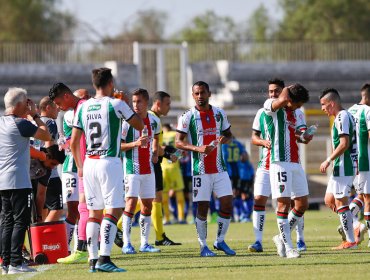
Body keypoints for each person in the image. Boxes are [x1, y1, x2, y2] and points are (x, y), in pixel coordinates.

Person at [70, 68, 144, 272]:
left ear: (94, 84)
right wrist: (126, 105)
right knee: (114, 209)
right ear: (110, 82)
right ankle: (105, 258)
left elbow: (74, 142)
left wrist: (79, 166)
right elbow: (138, 124)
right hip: (109, 162)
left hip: (89, 163)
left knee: (94, 213)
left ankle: (93, 260)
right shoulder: (116, 103)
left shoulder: (84, 107)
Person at [175, 81, 236, 257]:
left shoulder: (219, 113)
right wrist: (198, 148)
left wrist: (225, 140)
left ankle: (220, 240)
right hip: (200, 170)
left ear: (209, 93)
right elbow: (179, 142)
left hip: (219, 168)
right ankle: (203, 246)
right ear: (193, 95)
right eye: (196, 93)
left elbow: (229, 135)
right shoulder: (187, 116)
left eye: (203, 92)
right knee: (203, 208)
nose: (200, 96)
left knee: (227, 202)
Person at [0, 88, 51, 274]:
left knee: (6, 221)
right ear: (20, 105)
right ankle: (15, 262)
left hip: (3, 181)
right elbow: (46, 136)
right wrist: (35, 115)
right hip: (19, 181)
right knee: (20, 221)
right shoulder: (21, 124)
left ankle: (5, 263)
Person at [264, 84, 311, 259]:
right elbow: (282, 99)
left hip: (295, 162)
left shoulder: (294, 112)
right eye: (297, 104)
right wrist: (289, 88)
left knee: (302, 204)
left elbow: (298, 133)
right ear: (290, 100)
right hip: (279, 162)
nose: (299, 108)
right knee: (283, 204)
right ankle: (289, 247)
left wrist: (305, 137)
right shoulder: (271, 106)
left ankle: (280, 237)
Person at [50, 86, 91, 264]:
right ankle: (68, 247)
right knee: (75, 210)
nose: (87, 100)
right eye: (84, 97)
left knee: (84, 209)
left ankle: (81, 247)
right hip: (72, 168)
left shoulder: (78, 108)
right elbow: (71, 141)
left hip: (83, 166)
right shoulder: (70, 113)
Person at [121, 88, 161, 254]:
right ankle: (126, 243)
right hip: (131, 169)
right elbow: (118, 146)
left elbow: (157, 136)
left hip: (148, 170)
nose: (135, 105)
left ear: (147, 103)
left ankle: (144, 243)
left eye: (139, 102)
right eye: (134, 102)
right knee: (130, 204)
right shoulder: (126, 122)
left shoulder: (153, 120)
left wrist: (155, 152)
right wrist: (134, 144)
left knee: (147, 206)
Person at [320, 88, 357, 250]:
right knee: (329, 200)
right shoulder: (340, 117)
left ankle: (351, 241)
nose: (322, 108)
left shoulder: (342, 116)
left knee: (340, 200)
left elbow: (344, 144)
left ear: (332, 103)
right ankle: (355, 225)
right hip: (339, 166)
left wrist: (328, 159)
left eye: (323, 104)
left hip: (345, 164)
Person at [149, 91, 181, 245]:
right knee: (153, 199)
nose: (169, 107)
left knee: (153, 199)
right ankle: (160, 237)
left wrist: (168, 151)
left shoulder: (153, 118)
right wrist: (169, 155)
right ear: (158, 103)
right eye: (167, 104)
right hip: (151, 163)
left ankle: (160, 236)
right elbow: (153, 146)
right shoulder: (153, 118)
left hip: (153, 163)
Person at [345, 84, 370, 245]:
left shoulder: (348, 111)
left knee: (361, 196)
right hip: (365, 160)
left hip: (353, 160)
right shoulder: (367, 111)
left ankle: (349, 222)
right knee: (368, 198)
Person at [36, 97, 64, 222]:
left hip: (35, 169)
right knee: (57, 208)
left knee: (42, 209)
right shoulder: (50, 122)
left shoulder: (34, 122)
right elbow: (49, 145)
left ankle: (39, 240)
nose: (58, 108)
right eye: (55, 106)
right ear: (48, 107)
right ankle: (45, 237)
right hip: (49, 171)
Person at [161, 124, 186, 224]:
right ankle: (181, 218)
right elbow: (182, 150)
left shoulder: (160, 135)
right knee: (179, 192)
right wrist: (175, 157)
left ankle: (166, 219)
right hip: (174, 167)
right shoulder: (175, 134)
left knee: (164, 194)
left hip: (163, 167)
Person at [222, 137, 248, 222]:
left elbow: (223, 158)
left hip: (228, 172)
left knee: (229, 194)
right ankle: (240, 215)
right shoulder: (238, 143)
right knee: (237, 193)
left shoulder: (224, 145)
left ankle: (231, 216)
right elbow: (245, 156)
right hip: (238, 171)